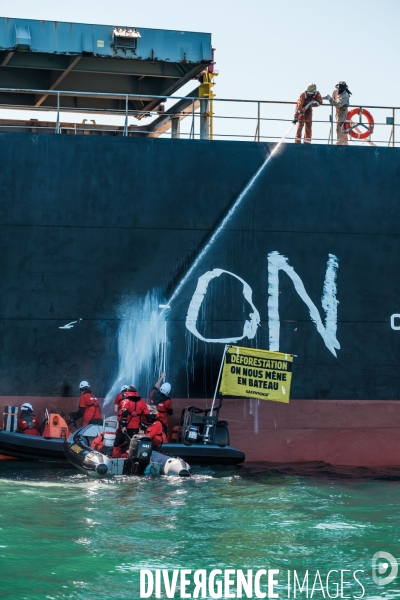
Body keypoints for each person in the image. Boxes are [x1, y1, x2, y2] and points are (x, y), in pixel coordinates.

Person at [325, 81, 351, 146]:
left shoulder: (345, 95)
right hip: (337, 111)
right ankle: (343, 142)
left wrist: (330, 99)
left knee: (340, 127)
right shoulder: (335, 92)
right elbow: (333, 99)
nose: (340, 90)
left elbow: (338, 104)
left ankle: (340, 143)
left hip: (343, 110)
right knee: (338, 126)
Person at [149, 372, 173, 437]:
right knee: (163, 435)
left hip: (152, 419)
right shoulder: (167, 401)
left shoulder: (152, 394)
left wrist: (162, 377)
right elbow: (170, 412)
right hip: (163, 422)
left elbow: (155, 387)